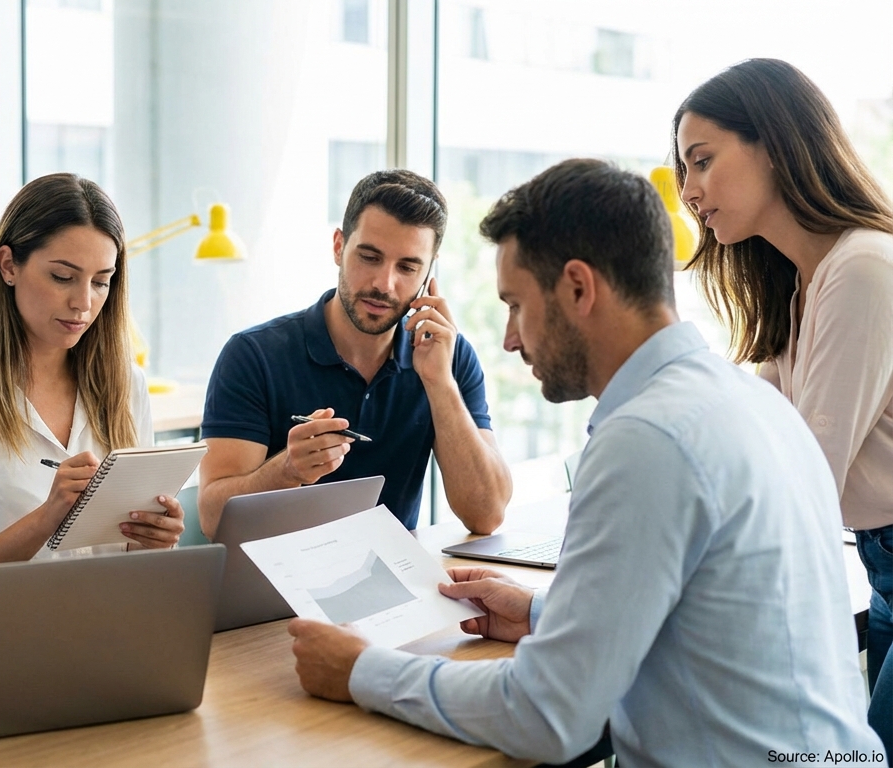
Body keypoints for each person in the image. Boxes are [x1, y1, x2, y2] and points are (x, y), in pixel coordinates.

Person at [286, 159, 882, 766]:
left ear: (577, 287)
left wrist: (362, 669)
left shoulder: (647, 440)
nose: (510, 339)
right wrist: (545, 614)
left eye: (516, 306)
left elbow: (547, 714)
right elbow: (713, 622)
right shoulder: (753, 402)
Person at [673, 57, 893, 750]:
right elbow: (746, 432)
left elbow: (804, 479)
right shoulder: (804, 285)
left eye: (702, 161)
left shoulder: (861, 268)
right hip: (882, 564)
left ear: (775, 141)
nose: (688, 190)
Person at [197, 169, 511, 538]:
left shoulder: (448, 358)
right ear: (338, 247)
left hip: (393, 581)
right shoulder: (252, 355)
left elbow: (486, 516)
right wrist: (287, 471)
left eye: (408, 267)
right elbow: (213, 520)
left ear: (429, 273)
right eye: (369, 257)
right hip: (275, 586)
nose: (384, 284)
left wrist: (439, 382)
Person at [0, 173, 184, 571]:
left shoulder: (126, 384)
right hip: (9, 629)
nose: (83, 303)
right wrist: (45, 519)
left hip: (113, 621)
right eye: (63, 277)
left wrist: (153, 542)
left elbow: (131, 557)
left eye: (101, 282)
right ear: (8, 266)